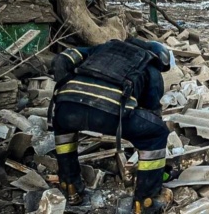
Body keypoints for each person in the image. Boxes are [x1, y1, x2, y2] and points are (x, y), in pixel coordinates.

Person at [50, 38, 172, 213]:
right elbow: (152, 111)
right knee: (157, 133)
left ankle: (70, 187)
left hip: (66, 108)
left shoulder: (102, 47)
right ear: (158, 58)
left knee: (64, 132)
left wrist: (65, 89)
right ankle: (145, 202)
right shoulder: (150, 66)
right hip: (109, 114)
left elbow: (62, 59)